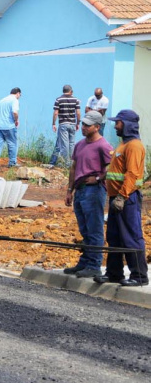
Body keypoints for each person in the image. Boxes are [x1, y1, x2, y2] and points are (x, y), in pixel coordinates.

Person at [94, 109, 148, 287]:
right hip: (117, 197)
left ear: (127, 125)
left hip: (127, 198)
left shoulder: (134, 146)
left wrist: (122, 196)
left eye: (118, 122)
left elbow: (132, 174)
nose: (115, 125)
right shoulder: (123, 144)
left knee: (131, 236)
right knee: (115, 236)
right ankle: (114, 273)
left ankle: (139, 276)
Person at [62, 111, 113, 279]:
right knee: (85, 229)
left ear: (97, 127)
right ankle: (85, 261)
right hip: (80, 190)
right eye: (83, 124)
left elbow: (113, 167)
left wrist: (98, 178)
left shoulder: (103, 146)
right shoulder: (80, 145)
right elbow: (73, 167)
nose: (83, 128)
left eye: (87, 125)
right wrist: (70, 190)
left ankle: (94, 265)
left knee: (94, 229)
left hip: (94, 191)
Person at [48, 84, 81, 168]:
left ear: (63, 91)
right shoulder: (76, 99)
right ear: (71, 91)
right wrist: (78, 123)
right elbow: (78, 113)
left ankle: (65, 163)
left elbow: (56, 113)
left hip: (63, 124)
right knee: (72, 143)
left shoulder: (59, 99)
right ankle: (71, 162)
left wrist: (53, 123)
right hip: (73, 124)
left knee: (64, 144)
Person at [0, 88, 21, 170]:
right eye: (20, 95)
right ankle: (12, 162)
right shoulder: (14, 100)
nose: (19, 97)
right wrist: (16, 120)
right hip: (9, 126)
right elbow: (15, 112)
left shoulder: (1, 101)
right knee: (12, 143)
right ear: (18, 93)